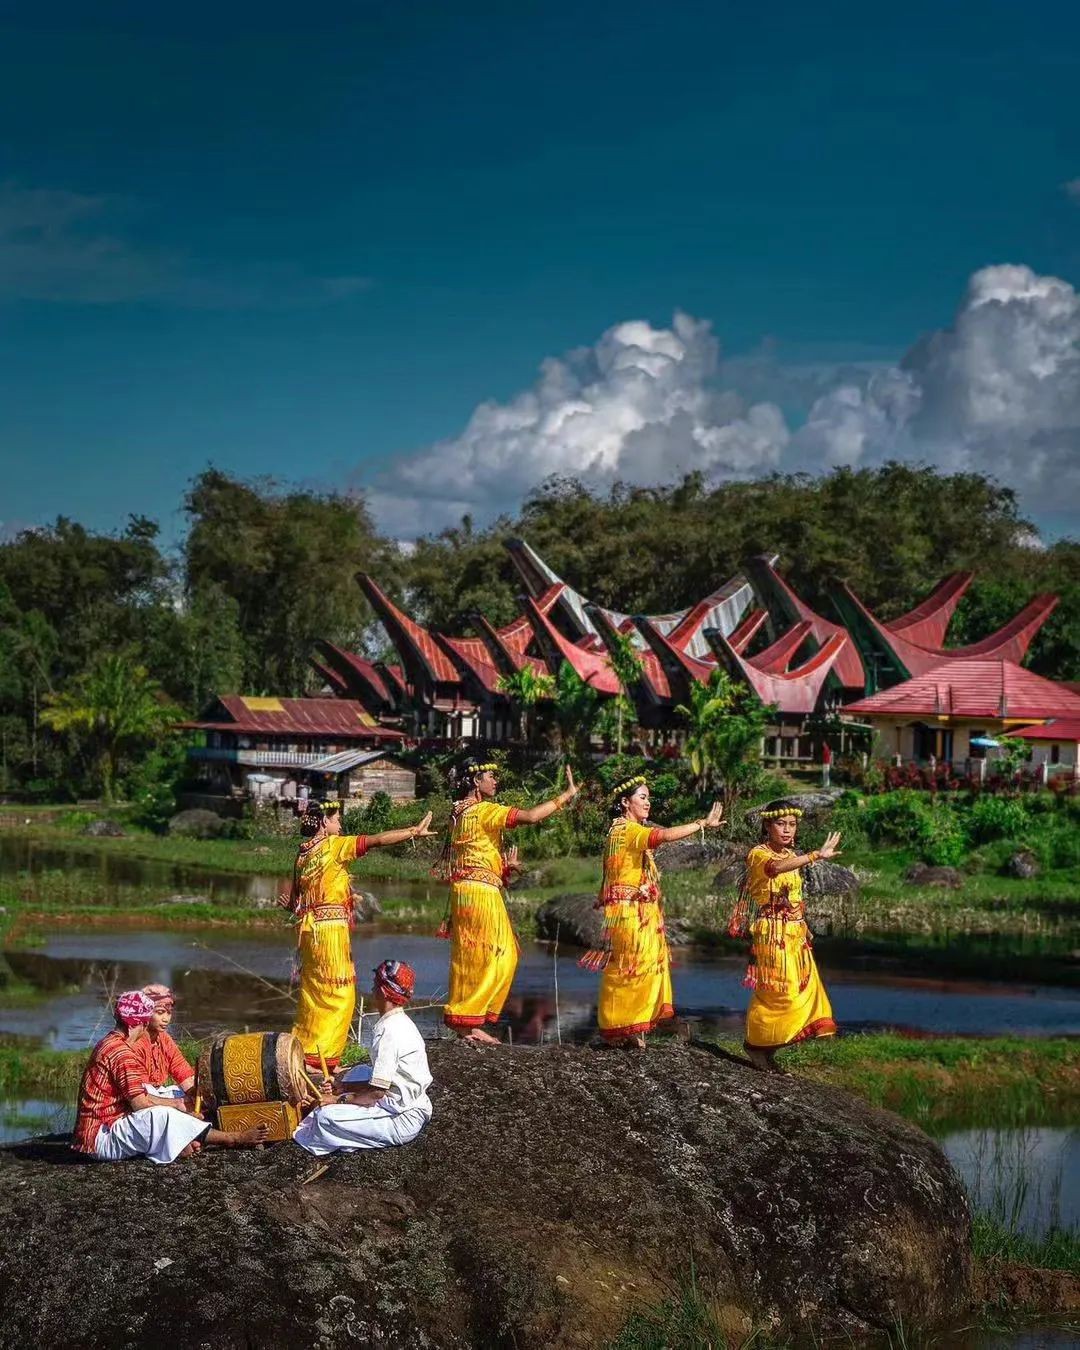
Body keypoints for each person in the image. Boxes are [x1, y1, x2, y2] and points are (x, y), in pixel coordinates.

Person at [285, 800, 436, 1075]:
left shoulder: (303, 855)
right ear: (323, 823)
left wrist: (291, 907)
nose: (340, 826)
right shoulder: (334, 846)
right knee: (340, 995)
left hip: (310, 932)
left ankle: (309, 1052)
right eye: (336, 819)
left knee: (314, 994)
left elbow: (297, 902)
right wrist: (412, 831)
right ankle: (322, 1059)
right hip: (330, 933)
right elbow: (376, 840)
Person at [434, 760, 579, 1044]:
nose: (495, 781)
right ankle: (467, 1019)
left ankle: (467, 1020)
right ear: (476, 781)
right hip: (478, 892)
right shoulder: (485, 811)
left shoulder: (461, 812)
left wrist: (505, 868)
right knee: (497, 955)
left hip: (470, 889)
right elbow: (531, 816)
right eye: (491, 776)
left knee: (479, 956)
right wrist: (566, 795)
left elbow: (474, 854)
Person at [581, 776, 724, 1049]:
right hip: (630, 911)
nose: (648, 803)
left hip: (634, 910)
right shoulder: (627, 830)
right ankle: (624, 1027)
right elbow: (664, 836)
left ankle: (627, 1027)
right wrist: (701, 824)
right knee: (636, 967)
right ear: (625, 802)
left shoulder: (619, 831)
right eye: (642, 797)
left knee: (635, 966)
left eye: (648, 798)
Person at [72, 991, 267, 1162]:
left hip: (111, 1124)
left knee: (167, 1100)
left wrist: (182, 1103)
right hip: (100, 1137)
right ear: (139, 1023)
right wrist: (177, 1108)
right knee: (161, 1116)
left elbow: (173, 1081)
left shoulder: (111, 1042)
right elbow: (140, 1105)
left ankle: (179, 1141)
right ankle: (234, 1138)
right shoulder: (122, 1053)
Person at [729, 800, 842, 1070]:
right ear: (768, 826)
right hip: (772, 933)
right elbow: (774, 870)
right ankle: (756, 1046)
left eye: (792, 824)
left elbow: (794, 897)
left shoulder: (789, 854)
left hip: (794, 934)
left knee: (804, 991)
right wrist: (816, 855)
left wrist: (804, 926)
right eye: (781, 824)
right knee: (780, 992)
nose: (788, 830)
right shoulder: (759, 854)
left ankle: (765, 1049)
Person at [293, 961, 432, 1155]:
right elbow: (381, 1084)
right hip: (404, 1100)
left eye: (376, 984)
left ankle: (347, 1135)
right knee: (359, 1071)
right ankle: (348, 1109)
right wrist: (343, 1087)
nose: (372, 988)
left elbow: (377, 1093)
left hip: (401, 1118)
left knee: (325, 1118)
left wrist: (337, 1099)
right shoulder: (400, 1021)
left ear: (383, 992)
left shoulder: (390, 1032)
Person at [134, 983, 195, 1104]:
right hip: (140, 1099)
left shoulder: (165, 1039)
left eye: (169, 1012)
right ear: (145, 1012)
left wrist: (195, 1094)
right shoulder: (135, 1042)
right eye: (160, 1012)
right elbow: (137, 1092)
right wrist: (178, 1104)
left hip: (157, 1095)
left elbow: (181, 1070)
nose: (166, 1019)